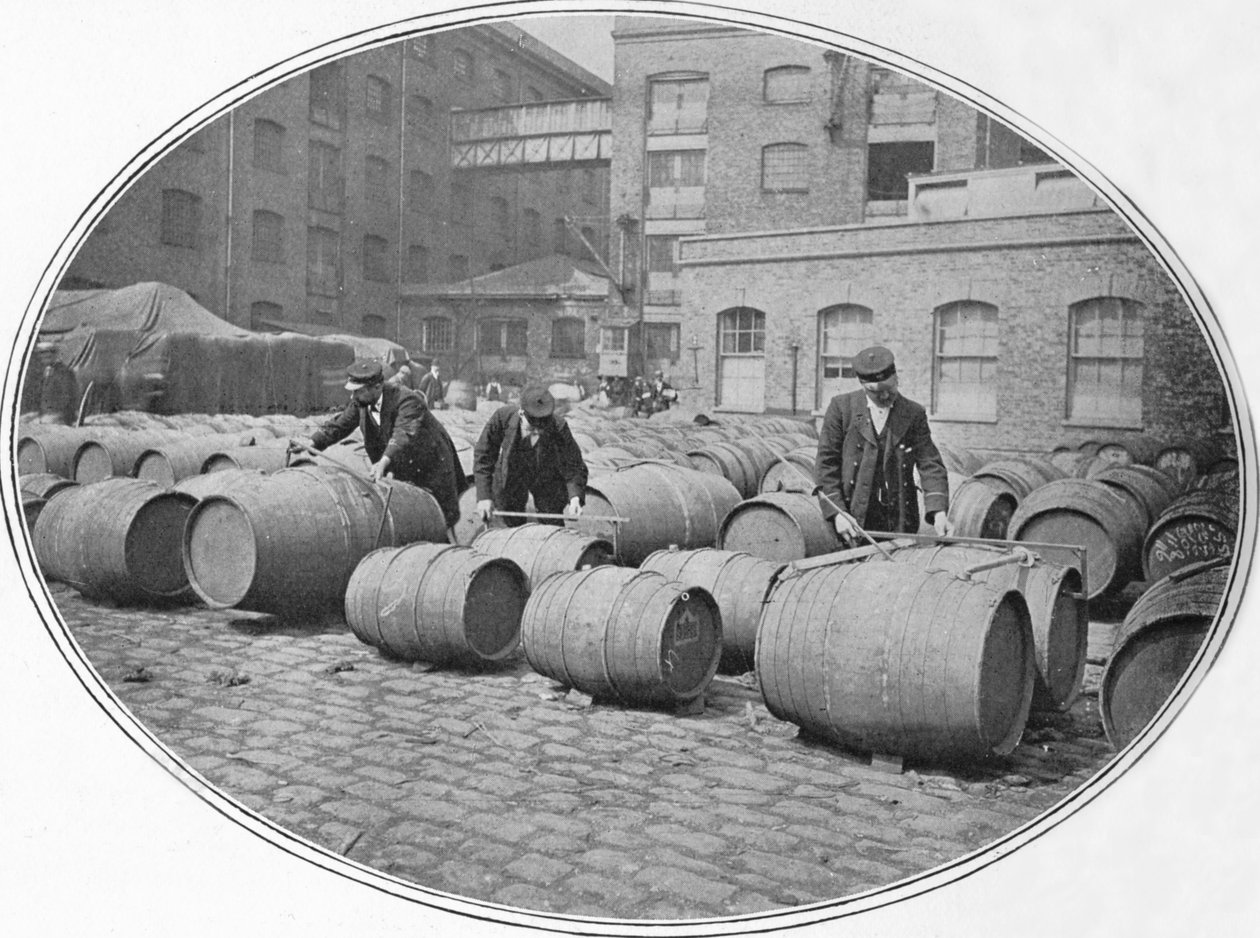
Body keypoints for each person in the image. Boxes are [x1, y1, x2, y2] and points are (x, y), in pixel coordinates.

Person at [290, 359, 465, 536]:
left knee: (439, 521)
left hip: (431, 466)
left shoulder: (407, 399)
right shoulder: (362, 401)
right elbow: (341, 424)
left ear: (377, 387)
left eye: (358, 391)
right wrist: (312, 442)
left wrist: (383, 462)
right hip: (402, 465)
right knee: (410, 520)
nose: (353, 396)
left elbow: (403, 434)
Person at [815, 346, 954, 545]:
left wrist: (939, 513)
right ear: (863, 385)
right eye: (876, 392)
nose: (885, 396)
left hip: (899, 521)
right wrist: (837, 513)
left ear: (897, 378)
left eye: (890, 388)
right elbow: (826, 464)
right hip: (852, 520)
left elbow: (929, 463)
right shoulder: (842, 408)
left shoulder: (913, 413)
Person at [473, 386, 588, 528]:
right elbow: (483, 456)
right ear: (521, 413)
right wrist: (484, 496)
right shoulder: (502, 418)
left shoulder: (558, 427)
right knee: (509, 522)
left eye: (542, 429)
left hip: (545, 478)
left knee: (551, 521)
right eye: (532, 428)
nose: (537, 433)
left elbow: (574, 466)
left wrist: (575, 498)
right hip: (511, 476)